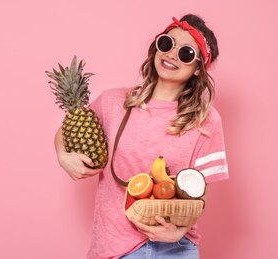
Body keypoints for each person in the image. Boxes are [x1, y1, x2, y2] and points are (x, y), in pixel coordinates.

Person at [54, 14, 229, 259]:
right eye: (167, 44)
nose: (171, 54)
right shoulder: (114, 102)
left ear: (198, 68)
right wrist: (63, 155)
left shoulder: (206, 120)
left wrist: (179, 230)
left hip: (174, 249)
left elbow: (201, 189)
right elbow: (67, 129)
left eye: (186, 53)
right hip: (113, 248)